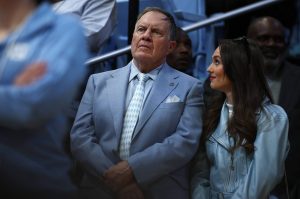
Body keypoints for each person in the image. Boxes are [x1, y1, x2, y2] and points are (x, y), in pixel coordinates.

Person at [71, 7, 204, 199]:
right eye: (141, 29)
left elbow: (185, 141)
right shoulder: (97, 82)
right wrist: (119, 182)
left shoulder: (190, 87)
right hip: (99, 189)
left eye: (156, 32)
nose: (146, 36)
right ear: (133, 36)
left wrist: (133, 170)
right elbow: (80, 138)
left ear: (171, 46)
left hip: (159, 191)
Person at [0, 0, 88, 198]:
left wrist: (21, 99)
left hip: (34, 184)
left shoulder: (63, 30)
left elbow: (32, 106)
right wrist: (13, 93)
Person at [191, 37, 289, 199]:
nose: (209, 69)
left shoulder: (272, 117)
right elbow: (200, 173)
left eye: (217, 62)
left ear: (237, 67)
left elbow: (261, 178)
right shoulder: (211, 114)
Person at [247, 16, 300, 199]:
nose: (272, 44)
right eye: (263, 38)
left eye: (278, 39)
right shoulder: (228, 78)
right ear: (248, 43)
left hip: (291, 188)